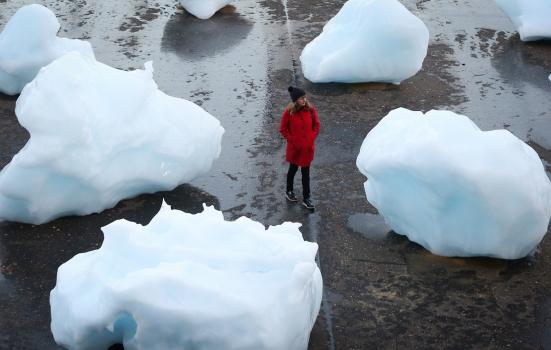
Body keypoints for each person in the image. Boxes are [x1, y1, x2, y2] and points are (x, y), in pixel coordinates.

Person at [279, 86, 320, 210]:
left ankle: (306, 198)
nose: (304, 100)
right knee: (293, 169)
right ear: (296, 100)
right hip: (295, 149)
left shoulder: (311, 110)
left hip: (307, 148)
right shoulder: (289, 112)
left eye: (304, 97)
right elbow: (283, 129)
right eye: (301, 98)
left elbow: (316, 126)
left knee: (305, 173)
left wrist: (311, 138)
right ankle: (289, 191)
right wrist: (293, 141)